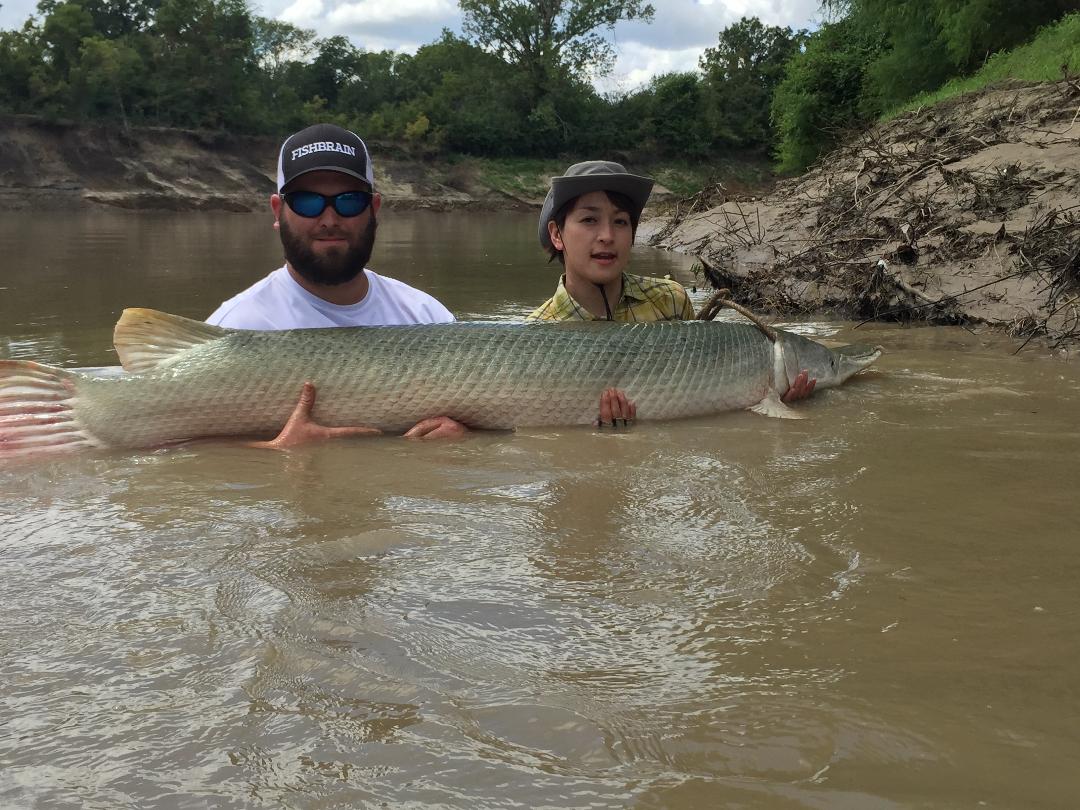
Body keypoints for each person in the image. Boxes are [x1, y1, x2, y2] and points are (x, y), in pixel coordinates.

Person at [208, 123, 466, 445]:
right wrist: (274, 454)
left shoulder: (428, 318)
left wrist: (466, 441)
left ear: (373, 209)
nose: (329, 219)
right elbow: (176, 463)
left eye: (348, 201)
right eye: (307, 201)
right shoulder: (234, 329)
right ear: (278, 211)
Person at [527, 160, 815, 410]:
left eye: (620, 222)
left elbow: (703, 396)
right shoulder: (535, 335)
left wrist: (774, 388)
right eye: (590, 219)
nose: (607, 235)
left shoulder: (669, 299)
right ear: (556, 234)